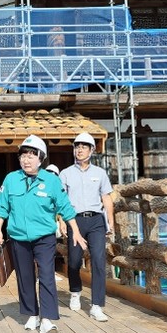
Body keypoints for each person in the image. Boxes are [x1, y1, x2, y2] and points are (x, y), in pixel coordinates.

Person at [0, 135, 87, 333]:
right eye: (23, 156)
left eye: (31, 156)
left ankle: (47, 319)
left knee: (46, 275)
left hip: (44, 237)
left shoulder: (52, 181)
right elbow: (2, 206)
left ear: (41, 158)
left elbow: (65, 207)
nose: (26, 160)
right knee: (25, 276)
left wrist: (76, 232)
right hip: (18, 237)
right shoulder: (11, 179)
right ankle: (32, 314)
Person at [59, 132, 114, 322]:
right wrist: (61, 221)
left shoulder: (100, 173)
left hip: (96, 220)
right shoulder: (65, 173)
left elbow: (106, 197)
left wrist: (110, 221)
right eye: (77, 146)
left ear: (92, 150)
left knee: (99, 260)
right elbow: (61, 200)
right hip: (75, 220)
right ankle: (75, 291)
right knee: (74, 261)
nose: (80, 150)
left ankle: (97, 305)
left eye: (84, 147)